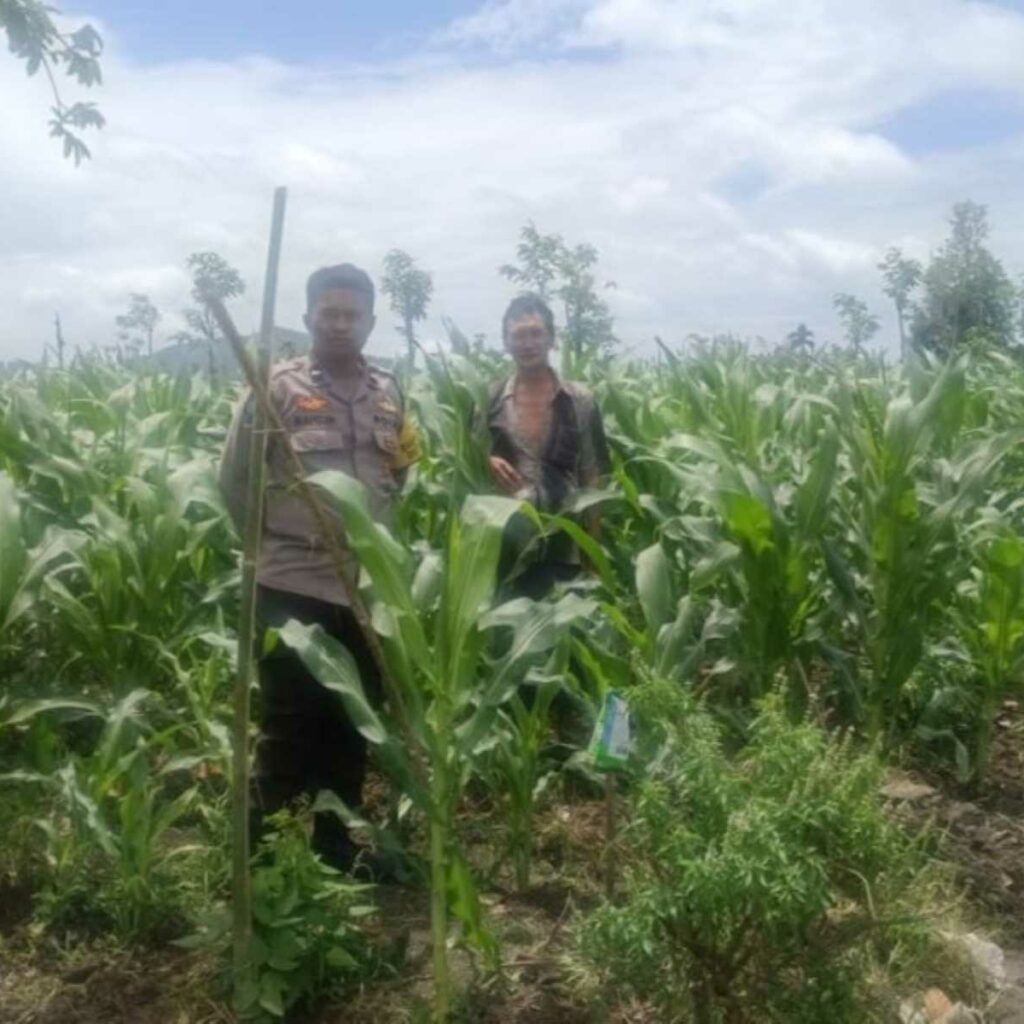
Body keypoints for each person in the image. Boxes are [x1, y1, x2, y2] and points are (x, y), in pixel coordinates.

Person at [219, 263, 419, 872]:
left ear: (369, 322)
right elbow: (235, 481)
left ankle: (334, 853)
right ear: (308, 318)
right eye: (327, 313)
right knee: (288, 728)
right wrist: (276, 544)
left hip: (364, 589)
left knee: (351, 726)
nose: (339, 323)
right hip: (292, 585)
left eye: (350, 314)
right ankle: (261, 867)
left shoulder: (389, 393)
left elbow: (401, 472)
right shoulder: (274, 389)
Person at [484, 293, 611, 599]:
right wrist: (485, 460)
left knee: (567, 639)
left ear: (551, 339)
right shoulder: (489, 399)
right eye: (518, 336)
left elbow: (592, 476)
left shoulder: (579, 400)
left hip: (565, 547)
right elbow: (466, 458)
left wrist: (592, 552)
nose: (528, 343)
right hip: (508, 547)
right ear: (506, 342)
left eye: (536, 333)